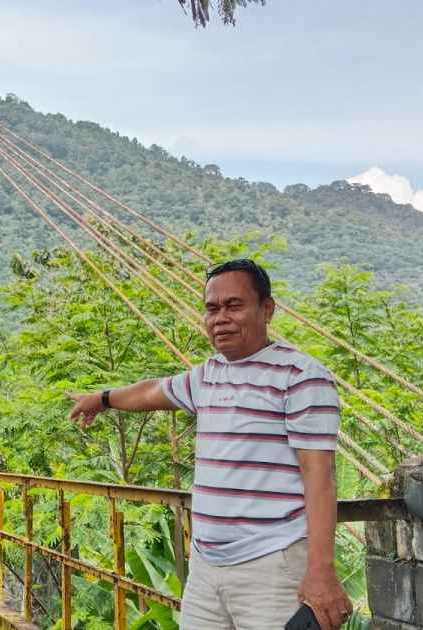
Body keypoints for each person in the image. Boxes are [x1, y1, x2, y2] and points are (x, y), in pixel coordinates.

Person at [67, 258, 353, 630]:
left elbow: (320, 477)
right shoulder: (210, 374)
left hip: (271, 567)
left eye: (234, 305)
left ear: (267, 309)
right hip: (205, 568)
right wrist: (102, 399)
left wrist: (321, 572)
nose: (220, 318)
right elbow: (154, 390)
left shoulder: (300, 377)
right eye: (211, 308)